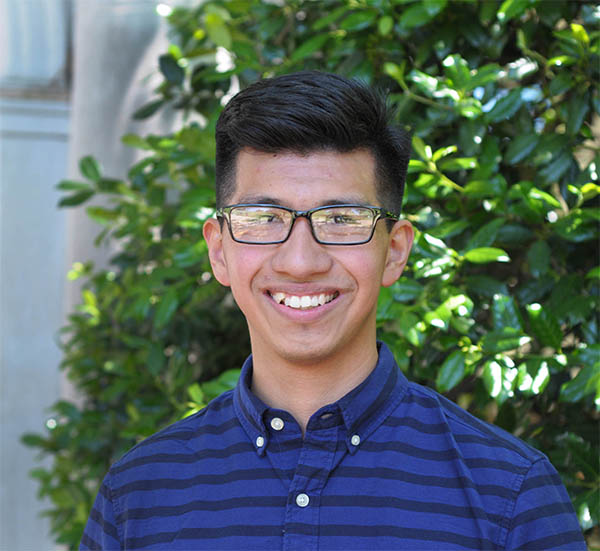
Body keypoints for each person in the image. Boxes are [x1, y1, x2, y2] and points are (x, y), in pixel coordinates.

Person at [81, 71, 585, 550]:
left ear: (395, 250)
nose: (301, 262)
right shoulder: (139, 495)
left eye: (343, 218)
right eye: (263, 217)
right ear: (219, 250)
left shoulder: (510, 492)